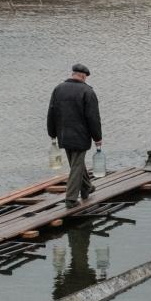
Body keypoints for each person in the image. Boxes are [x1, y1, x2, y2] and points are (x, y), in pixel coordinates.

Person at [47, 63, 103, 207]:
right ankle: (71, 199)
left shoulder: (58, 89)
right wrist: (97, 138)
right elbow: (93, 118)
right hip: (80, 136)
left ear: (73, 74)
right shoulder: (87, 92)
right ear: (84, 76)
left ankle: (86, 188)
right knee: (76, 166)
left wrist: (52, 133)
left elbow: (51, 112)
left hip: (63, 135)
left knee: (76, 163)